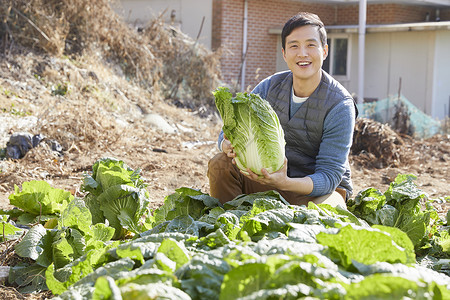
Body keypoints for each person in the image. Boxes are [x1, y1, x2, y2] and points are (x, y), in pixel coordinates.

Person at [207, 12, 357, 208]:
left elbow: (329, 177)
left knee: (329, 211)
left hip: (315, 190)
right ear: (284, 53)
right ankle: (231, 221)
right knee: (220, 165)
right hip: (268, 177)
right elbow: (227, 132)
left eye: (311, 45)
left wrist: (285, 182)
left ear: (325, 51)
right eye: (294, 46)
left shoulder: (340, 105)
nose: (302, 53)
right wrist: (226, 145)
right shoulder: (269, 87)